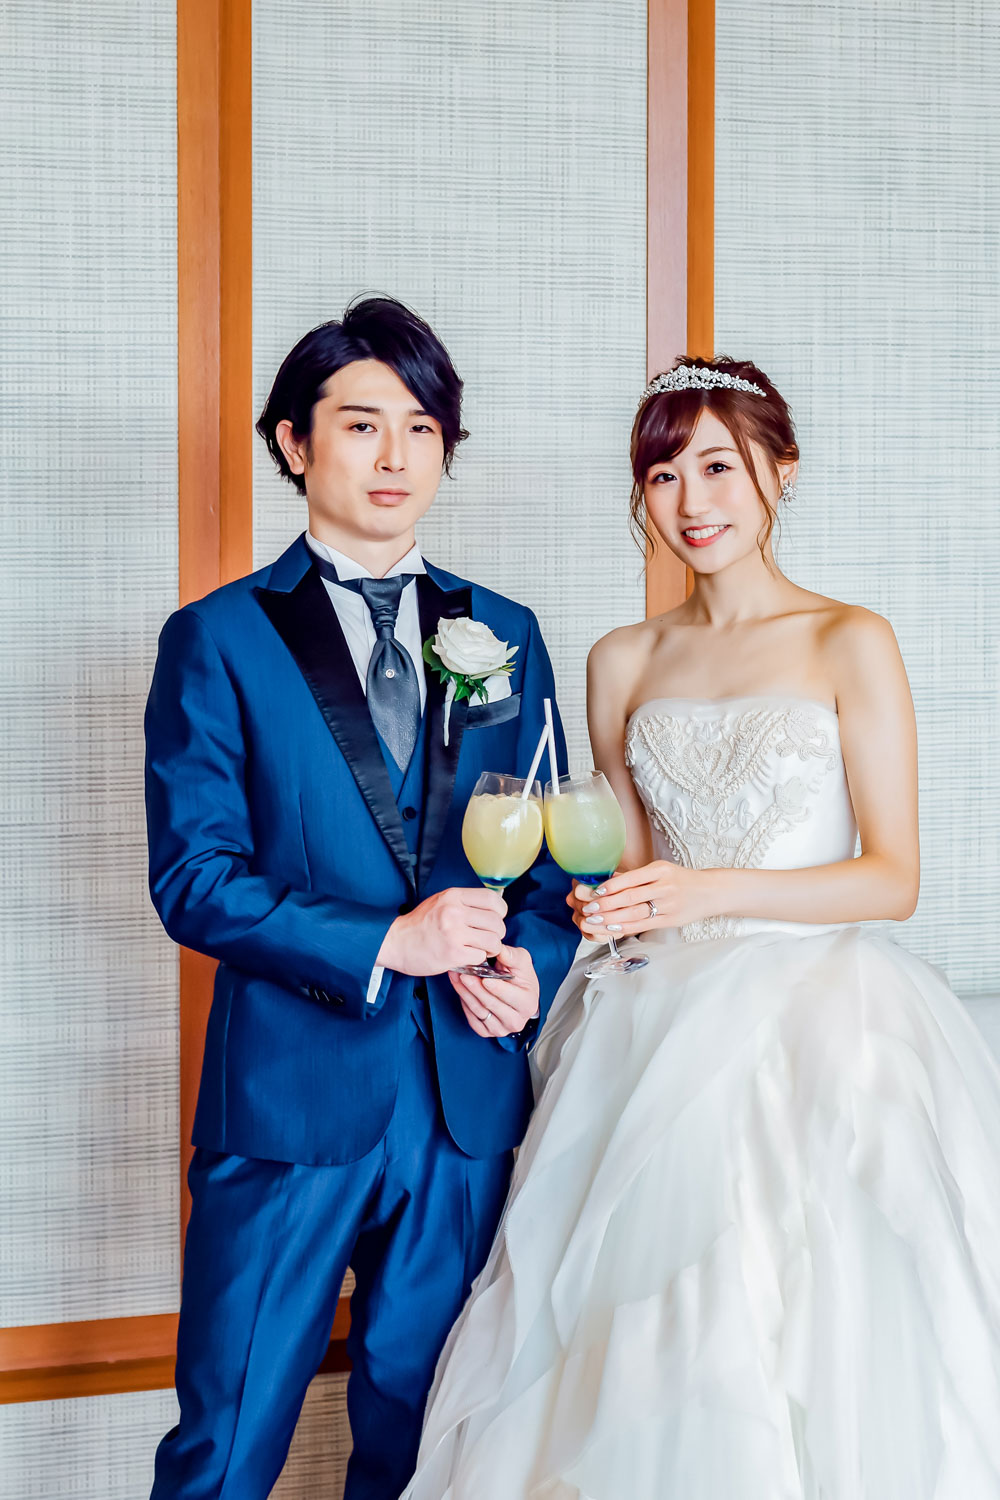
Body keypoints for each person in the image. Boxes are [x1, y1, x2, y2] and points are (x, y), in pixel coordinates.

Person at [403, 357, 1000, 1499]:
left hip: (818, 1018)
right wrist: (600, 912)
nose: (692, 501)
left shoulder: (849, 640)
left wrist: (708, 891)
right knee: (643, 1337)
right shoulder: (621, 659)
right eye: (664, 474)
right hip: (650, 1019)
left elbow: (892, 879)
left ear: (782, 471)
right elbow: (630, 870)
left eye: (719, 466)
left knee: (806, 1320)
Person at [144, 296, 579, 1499]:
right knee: (225, 1447)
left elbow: (552, 864)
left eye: (422, 428)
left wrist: (531, 967)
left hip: (463, 1109)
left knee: (427, 1444)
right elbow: (193, 880)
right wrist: (389, 940)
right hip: (288, 1103)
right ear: (294, 443)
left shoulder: (505, 632)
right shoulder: (217, 639)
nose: (396, 456)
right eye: (361, 424)